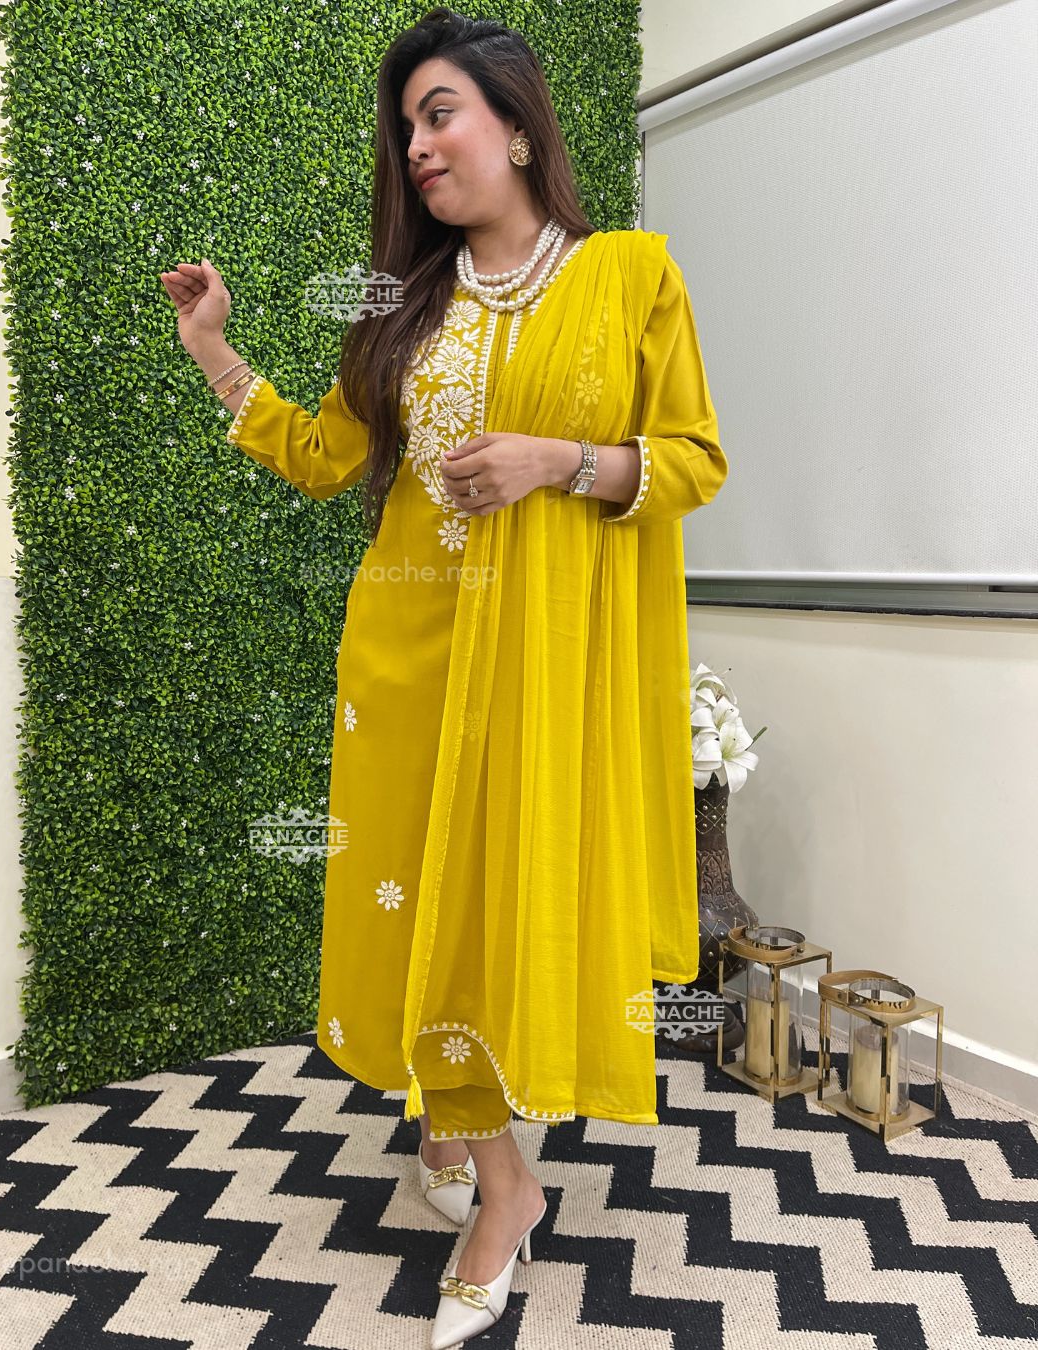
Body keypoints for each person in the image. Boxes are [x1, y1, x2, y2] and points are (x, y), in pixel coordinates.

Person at [160, 8, 728, 1345]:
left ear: (516, 126)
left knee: (493, 909)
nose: (415, 146)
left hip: (542, 670)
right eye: (405, 127)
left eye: (439, 114)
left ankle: (490, 1171)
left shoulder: (629, 277)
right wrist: (215, 352)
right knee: (412, 915)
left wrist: (556, 463)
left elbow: (694, 459)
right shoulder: (402, 306)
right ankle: (496, 1169)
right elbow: (324, 456)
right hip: (407, 664)